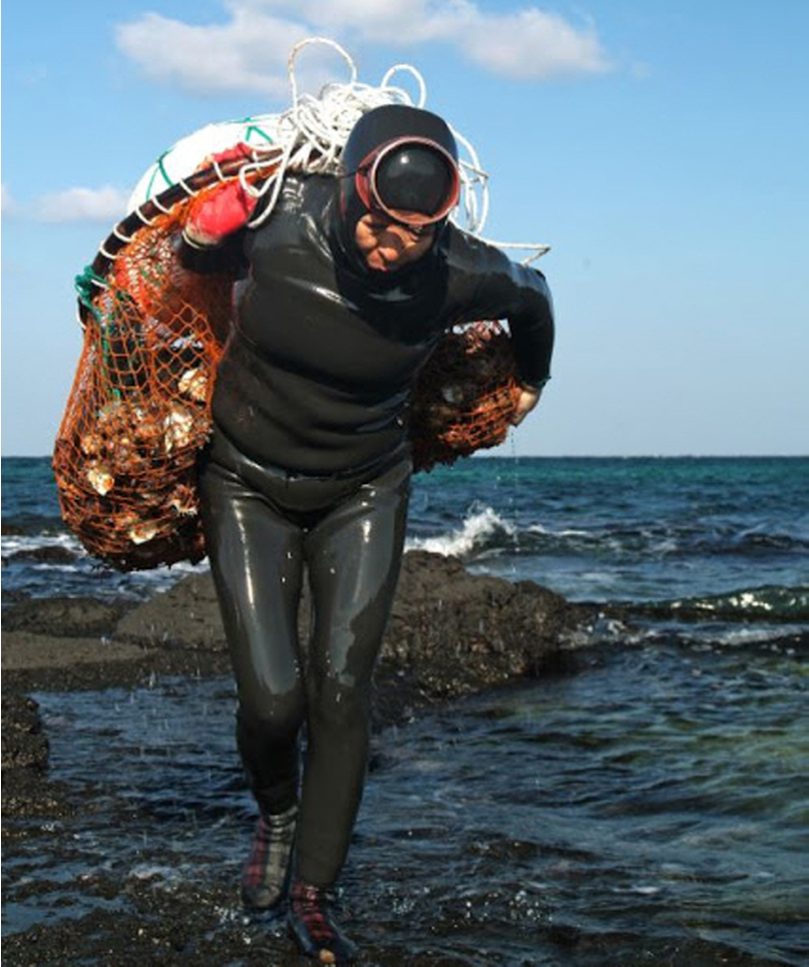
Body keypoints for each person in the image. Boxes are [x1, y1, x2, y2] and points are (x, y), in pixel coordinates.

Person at [179, 103, 554, 964]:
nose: (393, 246)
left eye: (416, 234)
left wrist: (529, 381)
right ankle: (275, 815)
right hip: (245, 483)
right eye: (380, 225)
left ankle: (313, 890)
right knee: (272, 699)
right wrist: (205, 234)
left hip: (364, 490)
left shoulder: (457, 273)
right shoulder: (277, 222)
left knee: (343, 687)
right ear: (348, 188)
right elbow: (189, 257)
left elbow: (534, 300)